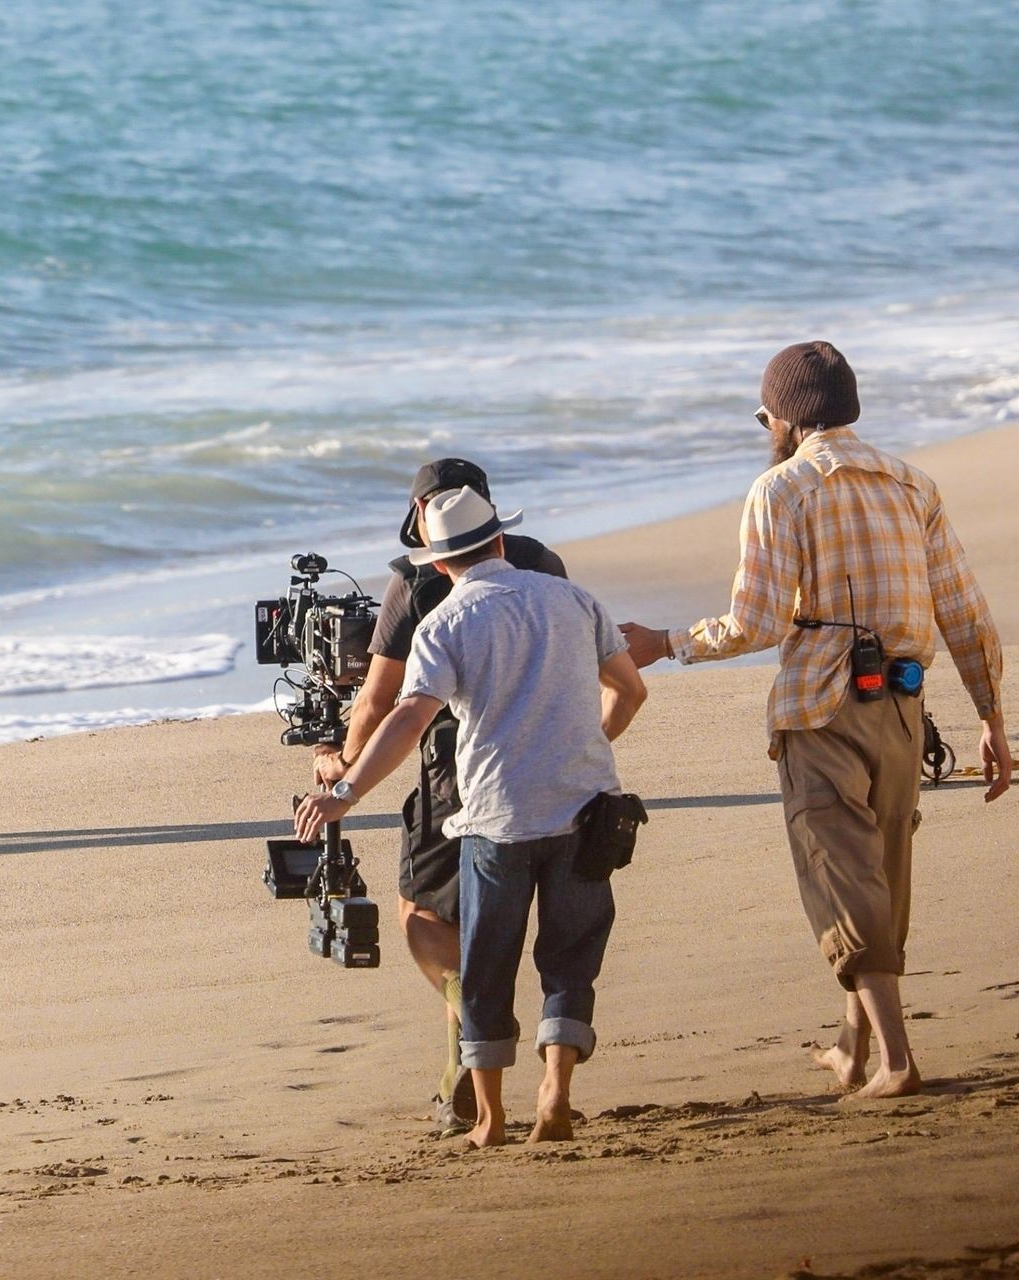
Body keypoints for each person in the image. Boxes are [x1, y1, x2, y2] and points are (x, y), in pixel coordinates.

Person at [620, 340, 1008, 1099]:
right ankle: (853, 1049)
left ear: (786, 418)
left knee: (841, 876)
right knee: (882, 875)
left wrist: (665, 643)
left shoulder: (782, 488)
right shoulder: (913, 484)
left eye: (764, 415)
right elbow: (965, 612)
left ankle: (897, 1062)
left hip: (821, 710)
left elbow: (757, 622)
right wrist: (992, 717)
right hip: (903, 709)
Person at [296, 486, 647, 1148]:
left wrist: (345, 791)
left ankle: (490, 1120)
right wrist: (582, 749)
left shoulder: (445, 624)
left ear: (438, 563)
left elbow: (408, 717)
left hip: (496, 819)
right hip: (584, 810)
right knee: (571, 960)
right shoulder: (574, 600)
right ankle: (555, 1094)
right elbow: (629, 689)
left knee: (486, 969)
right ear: (500, 540)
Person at [313, 458, 568, 1134]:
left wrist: (342, 764)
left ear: (420, 518)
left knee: (422, 912)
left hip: (457, 768)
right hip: (555, 758)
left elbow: (380, 701)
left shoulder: (416, 580)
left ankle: (468, 1021)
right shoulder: (540, 562)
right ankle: (510, 1066)